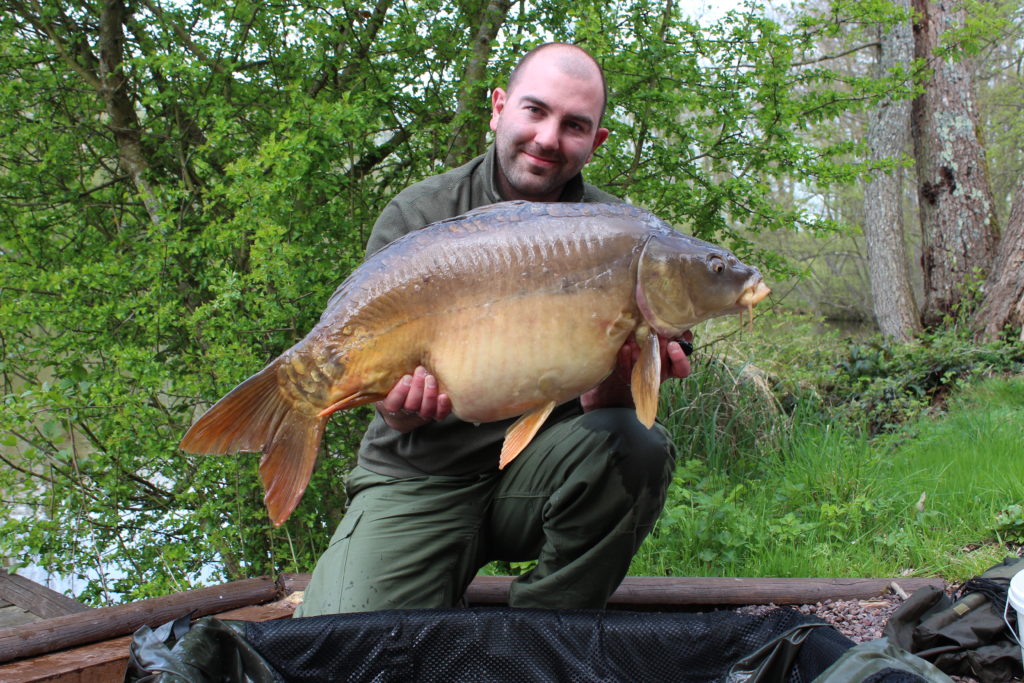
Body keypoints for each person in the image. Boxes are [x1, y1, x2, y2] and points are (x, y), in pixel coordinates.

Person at [295, 42, 692, 616]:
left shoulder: (626, 237)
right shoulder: (421, 213)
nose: (549, 138)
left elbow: (604, 411)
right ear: (499, 107)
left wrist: (619, 375)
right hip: (420, 474)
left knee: (638, 446)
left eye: (574, 125)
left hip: (539, 471)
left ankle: (543, 635)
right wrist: (402, 405)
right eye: (535, 111)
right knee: (343, 644)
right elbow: (392, 412)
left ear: (596, 141)